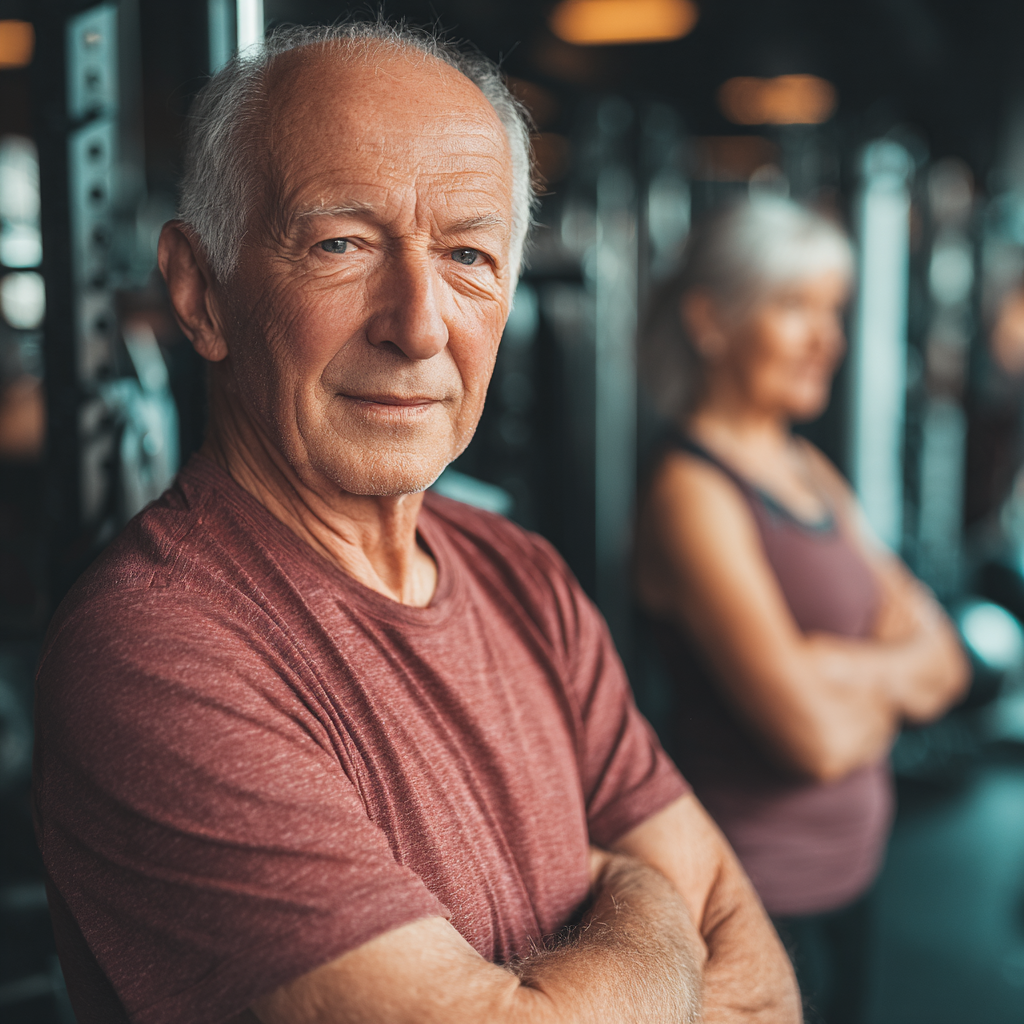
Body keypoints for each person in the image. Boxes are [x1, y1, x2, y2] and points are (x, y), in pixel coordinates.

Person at [32, 23, 800, 1024]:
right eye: (341, 243)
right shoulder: (159, 654)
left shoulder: (524, 576)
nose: (421, 323)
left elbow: (757, 993)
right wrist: (646, 901)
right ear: (200, 291)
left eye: (467, 254)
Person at [635, 198, 969, 1023]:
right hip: (757, 896)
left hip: (852, 876)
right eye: (796, 308)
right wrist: (887, 684)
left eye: (833, 310)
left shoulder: (808, 468)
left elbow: (948, 662)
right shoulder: (691, 492)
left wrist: (823, 667)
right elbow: (813, 740)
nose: (831, 340)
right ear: (712, 321)